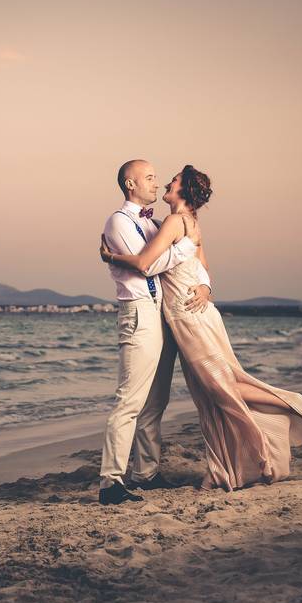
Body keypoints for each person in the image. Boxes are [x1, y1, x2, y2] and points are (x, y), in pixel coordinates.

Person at [100, 165, 302, 490]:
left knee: (220, 384)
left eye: (169, 180)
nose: (162, 181)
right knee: (206, 389)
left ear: (183, 191)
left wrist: (111, 257)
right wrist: (199, 276)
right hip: (176, 318)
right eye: (151, 177)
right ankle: (145, 475)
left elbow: (149, 264)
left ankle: (293, 405)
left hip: (189, 318)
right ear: (130, 183)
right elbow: (192, 263)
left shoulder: (168, 222)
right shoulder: (145, 222)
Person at [97, 159, 213, 505]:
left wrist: (205, 286)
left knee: (155, 402)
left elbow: (189, 266)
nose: (155, 182)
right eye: (148, 178)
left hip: (162, 316)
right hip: (138, 315)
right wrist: (183, 246)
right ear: (130, 184)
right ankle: (110, 482)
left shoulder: (157, 223)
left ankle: (146, 474)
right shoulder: (118, 222)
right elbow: (149, 264)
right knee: (129, 400)